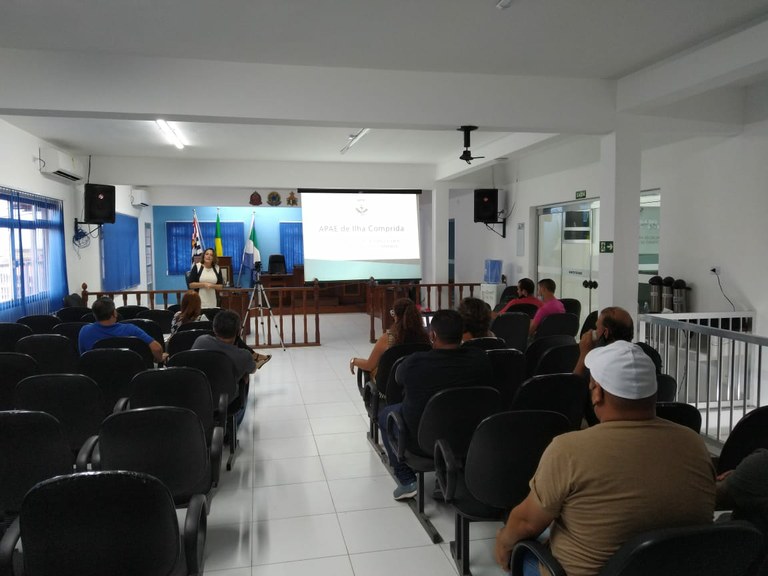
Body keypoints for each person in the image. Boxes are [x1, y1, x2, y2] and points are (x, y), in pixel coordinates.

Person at [494, 340, 716, 576]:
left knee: (520, 551)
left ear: (597, 393)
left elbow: (526, 523)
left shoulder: (568, 450)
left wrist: (503, 543)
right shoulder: (694, 443)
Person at [378, 309, 494, 500]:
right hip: (469, 434)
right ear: (461, 334)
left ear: (432, 335)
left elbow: (398, 379)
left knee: (386, 414)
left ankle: (407, 481)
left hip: (421, 440)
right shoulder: (480, 358)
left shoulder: (415, 362)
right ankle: (445, 475)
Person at [349, 297, 429, 379]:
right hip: (418, 380)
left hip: (392, 386)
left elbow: (369, 366)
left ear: (396, 316)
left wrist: (354, 360)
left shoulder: (388, 337)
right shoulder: (425, 337)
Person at [573, 306, 662, 377]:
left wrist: (583, 355)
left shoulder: (601, 360)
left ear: (606, 332)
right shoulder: (649, 354)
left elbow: (573, 389)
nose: (594, 331)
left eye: (597, 327)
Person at [78, 297, 168, 363]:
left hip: (98, 379)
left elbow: (84, 357)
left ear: (94, 314)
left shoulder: (84, 331)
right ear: (114, 313)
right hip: (132, 377)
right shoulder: (131, 330)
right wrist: (160, 359)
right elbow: (156, 348)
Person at [192, 309, 264, 379]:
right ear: (238, 332)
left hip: (200, 388)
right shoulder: (244, 355)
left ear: (214, 328)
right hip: (226, 390)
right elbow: (253, 369)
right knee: (245, 375)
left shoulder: (201, 340)